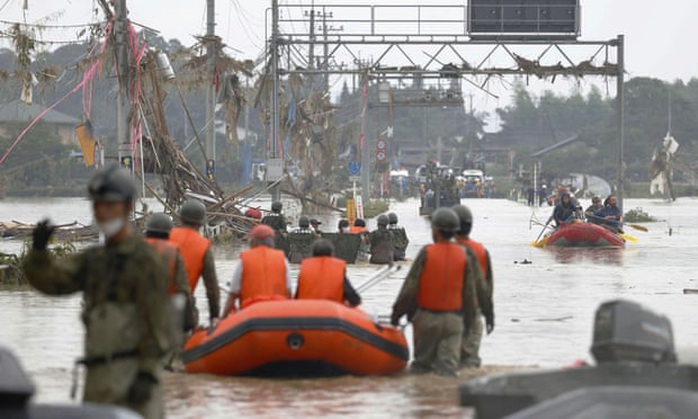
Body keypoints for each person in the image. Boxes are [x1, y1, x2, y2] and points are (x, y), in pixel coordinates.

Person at [22, 166, 171, 418]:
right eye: (98, 205)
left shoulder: (144, 260)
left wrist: (147, 374)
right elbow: (52, 282)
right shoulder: (94, 260)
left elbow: (158, 323)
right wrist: (38, 251)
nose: (102, 211)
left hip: (133, 375)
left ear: (128, 207)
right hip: (97, 378)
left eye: (110, 205)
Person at [390, 208, 494, 377]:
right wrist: (485, 315)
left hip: (427, 319)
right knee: (449, 371)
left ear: (436, 230)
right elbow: (475, 290)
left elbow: (410, 288)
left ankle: (423, 400)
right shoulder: (466, 255)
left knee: (422, 368)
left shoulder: (427, 253)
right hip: (455, 320)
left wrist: (398, 314)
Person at [452, 205, 494, 368]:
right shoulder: (481, 250)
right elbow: (487, 286)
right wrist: (489, 313)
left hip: (448, 310)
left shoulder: (443, 250)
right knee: (470, 360)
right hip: (474, 310)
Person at [169, 200, 220, 328]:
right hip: (182, 307)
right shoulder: (203, 245)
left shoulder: (165, 236)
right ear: (201, 222)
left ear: (180, 218)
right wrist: (215, 316)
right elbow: (212, 288)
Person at [223, 225, 292, 315]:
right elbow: (288, 292)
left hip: (250, 314)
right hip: (276, 314)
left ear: (254, 242)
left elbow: (233, 294)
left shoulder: (244, 260)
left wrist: (222, 319)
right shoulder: (282, 259)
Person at [144, 213, 194, 332]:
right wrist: (189, 324)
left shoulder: (132, 249)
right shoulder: (173, 253)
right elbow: (183, 290)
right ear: (169, 232)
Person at [296, 239, 361, 307]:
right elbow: (354, 299)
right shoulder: (337, 269)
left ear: (313, 254)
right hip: (333, 312)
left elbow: (297, 298)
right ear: (331, 254)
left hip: (307, 312)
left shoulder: (305, 268)